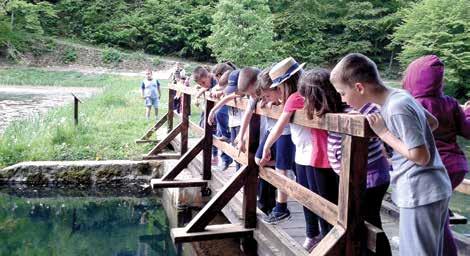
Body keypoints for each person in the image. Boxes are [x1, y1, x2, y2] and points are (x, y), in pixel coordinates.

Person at [330, 53, 452, 256]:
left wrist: (384, 133)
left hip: (419, 191)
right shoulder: (400, 95)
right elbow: (432, 123)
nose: (343, 99)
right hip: (433, 187)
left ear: (359, 87)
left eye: (342, 93)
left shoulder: (396, 107)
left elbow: (421, 156)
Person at [402, 54, 470, 256]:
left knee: (437, 222)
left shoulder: (410, 105)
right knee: (440, 219)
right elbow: (467, 131)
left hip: (430, 170)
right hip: (455, 167)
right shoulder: (449, 103)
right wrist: (466, 114)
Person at [258, 57, 300, 225]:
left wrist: (267, 146)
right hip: (291, 139)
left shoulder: (293, 99)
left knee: (283, 170)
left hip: (288, 136)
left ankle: (281, 208)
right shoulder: (292, 98)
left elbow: (281, 123)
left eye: (269, 94)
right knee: (282, 168)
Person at [193, 65, 232, 168]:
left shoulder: (216, 80)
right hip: (213, 110)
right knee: (205, 128)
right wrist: (200, 92)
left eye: (203, 82)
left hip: (222, 110)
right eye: (201, 84)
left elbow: (221, 89)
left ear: (208, 75)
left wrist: (211, 92)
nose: (203, 85)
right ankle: (213, 156)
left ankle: (225, 159)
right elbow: (207, 88)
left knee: (221, 134)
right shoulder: (208, 83)